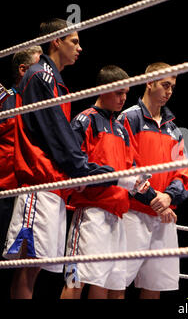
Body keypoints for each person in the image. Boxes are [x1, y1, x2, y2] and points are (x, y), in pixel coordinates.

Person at [1, 18, 123, 299]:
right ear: (56, 41)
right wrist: (83, 170)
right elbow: (55, 134)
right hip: (40, 179)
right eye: (74, 41)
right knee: (28, 267)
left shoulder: (54, 79)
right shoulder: (40, 74)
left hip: (53, 182)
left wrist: (77, 171)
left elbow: (59, 136)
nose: (80, 48)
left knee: (37, 268)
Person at [60, 65, 152, 299]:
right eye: (119, 92)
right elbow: (75, 166)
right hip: (91, 212)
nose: (123, 98)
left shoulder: (121, 129)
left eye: (126, 93)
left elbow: (129, 168)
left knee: (105, 283)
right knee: (76, 281)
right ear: (103, 90)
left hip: (118, 214)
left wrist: (139, 184)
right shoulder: (84, 120)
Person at [116, 62, 188, 299]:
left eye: (173, 86)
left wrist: (168, 197)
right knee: (117, 281)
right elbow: (125, 165)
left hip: (163, 215)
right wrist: (154, 198)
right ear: (150, 83)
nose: (169, 91)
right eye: (165, 85)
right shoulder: (128, 118)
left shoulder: (174, 128)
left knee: (155, 284)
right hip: (133, 211)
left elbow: (183, 172)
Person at [0, 46, 43, 255]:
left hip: (27, 194)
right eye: (39, 67)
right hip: (3, 189)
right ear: (23, 70)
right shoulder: (3, 98)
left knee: (16, 260)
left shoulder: (43, 106)